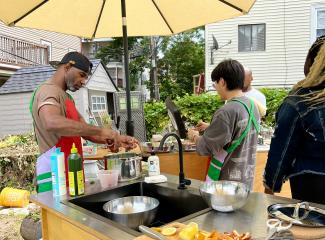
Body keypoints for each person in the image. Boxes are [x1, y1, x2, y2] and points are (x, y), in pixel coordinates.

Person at [30, 51, 138, 193]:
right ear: (67, 67)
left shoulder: (67, 97)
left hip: (71, 172)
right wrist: (102, 131)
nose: (83, 81)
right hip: (54, 177)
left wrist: (116, 137)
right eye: (82, 75)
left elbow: (86, 132)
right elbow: (51, 122)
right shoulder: (48, 91)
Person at [263, 35, 325, 204]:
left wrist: (269, 187)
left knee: (314, 230)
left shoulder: (301, 100)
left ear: (313, 63)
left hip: (313, 188)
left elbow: (281, 149)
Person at [188, 59, 260, 190]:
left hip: (226, 186)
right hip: (246, 181)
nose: (215, 87)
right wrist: (211, 127)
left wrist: (194, 136)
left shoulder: (226, 111)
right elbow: (237, 133)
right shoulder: (252, 105)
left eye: (215, 83)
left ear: (222, 81)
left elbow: (206, 147)